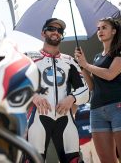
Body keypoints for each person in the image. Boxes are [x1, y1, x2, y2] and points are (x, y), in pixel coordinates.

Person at [74, 17, 121, 163]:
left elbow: (110, 74)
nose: (100, 31)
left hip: (120, 106)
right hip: (97, 110)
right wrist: (82, 66)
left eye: (104, 27)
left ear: (114, 31)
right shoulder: (97, 57)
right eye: (98, 28)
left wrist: (87, 64)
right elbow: (91, 86)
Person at [25, 18, 89, 163]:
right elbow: (15, 82)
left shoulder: (70, 61)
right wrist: (33, 95)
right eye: (51, 29)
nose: (56, 32)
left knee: (74, 160)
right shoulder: (29, 57)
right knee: (33, 160)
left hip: (65, 119)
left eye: (59, 30)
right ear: (43, 33)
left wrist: (71, 98)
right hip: (38, 119)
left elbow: (85, 92)